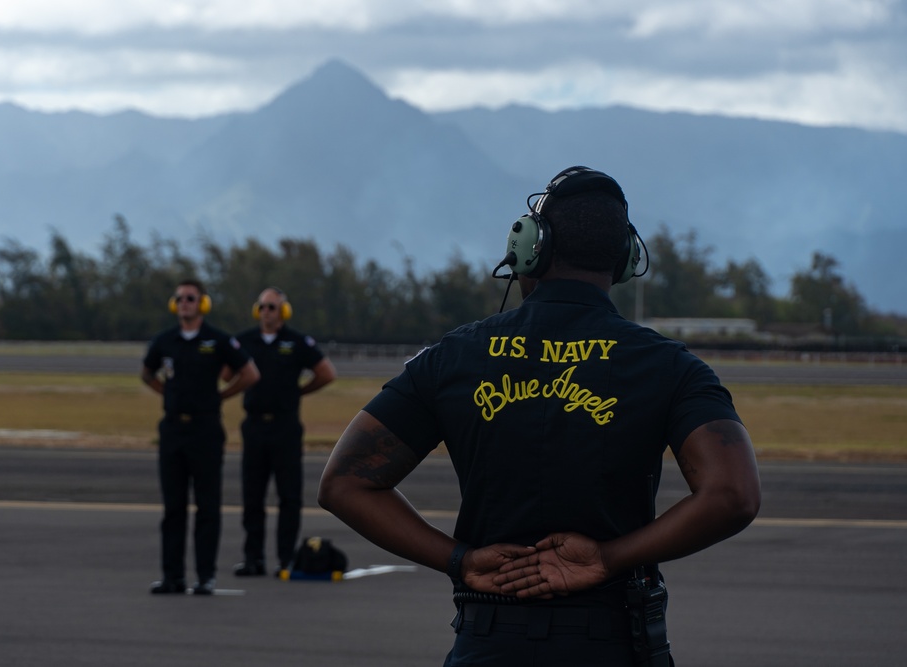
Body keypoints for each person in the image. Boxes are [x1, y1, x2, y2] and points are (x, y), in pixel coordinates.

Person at [318, 166, 761, 666]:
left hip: (489, 638)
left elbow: (344, 483)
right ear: (625, 259)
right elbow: (733, 494)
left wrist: (459, 560)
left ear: (531, 248)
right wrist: (607, 559)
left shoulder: (452, 358)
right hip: (613, 642)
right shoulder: (671, 366)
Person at [141, 278, 260, 596]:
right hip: (172, 430)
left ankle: (205, 575)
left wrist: (222, 396)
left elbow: (249, 373)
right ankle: (172, 576)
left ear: (202, 303)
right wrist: (167, 394)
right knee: (173, 507)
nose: (184, 304)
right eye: (179, 298)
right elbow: (146, 372)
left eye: (191, 298)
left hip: (205, 429)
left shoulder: (217, 340)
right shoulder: (164, 341)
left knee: (207, 506)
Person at [231, 286, 337, 577]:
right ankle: (253, 558)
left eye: (272, 307)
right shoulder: (244, 341)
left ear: (283, 312)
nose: (266, 312)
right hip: (254, 425)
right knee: (252, 495)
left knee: (288, 495)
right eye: (262, 307)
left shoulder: (297, 341)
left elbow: (326, 372)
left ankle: (285, 558)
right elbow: (226, 371)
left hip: (285, 426)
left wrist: (298, 392)